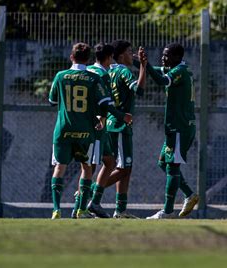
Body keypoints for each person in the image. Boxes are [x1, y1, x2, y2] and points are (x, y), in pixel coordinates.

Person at [48, 42, 131, 219]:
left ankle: (56, 209)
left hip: (63, 129)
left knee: (59, 167)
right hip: (86, 130)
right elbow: (106, 103)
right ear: (88, 59)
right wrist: (120, 115)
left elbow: (52, 100)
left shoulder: (61, 75)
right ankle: (82, 208)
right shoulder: (95, 78)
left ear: (71, 57)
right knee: (87, 168)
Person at [140, 43, 199, 219]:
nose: (163, 58)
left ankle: (167, 211)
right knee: (163, 163)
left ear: (177, 57)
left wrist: (146, 64)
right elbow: (155, 69)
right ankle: (189, 194)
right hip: (174, 128)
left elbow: (160, 80)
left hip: (180, 128)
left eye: (167, 55)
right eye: (163, 55)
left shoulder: (178, 72)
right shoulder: (177, 69)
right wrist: (138, 62)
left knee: (172, 167)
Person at [89, 40, 147, 219]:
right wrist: (143, 67)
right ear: (121, 55)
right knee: (123, 168)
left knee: (124, 167)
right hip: (121, 125)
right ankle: (90, 195)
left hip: (111, 123)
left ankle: (120, 210)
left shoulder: (110, 70)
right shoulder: (123, 70)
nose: (133, 55)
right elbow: (139, 90)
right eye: (130, 52)